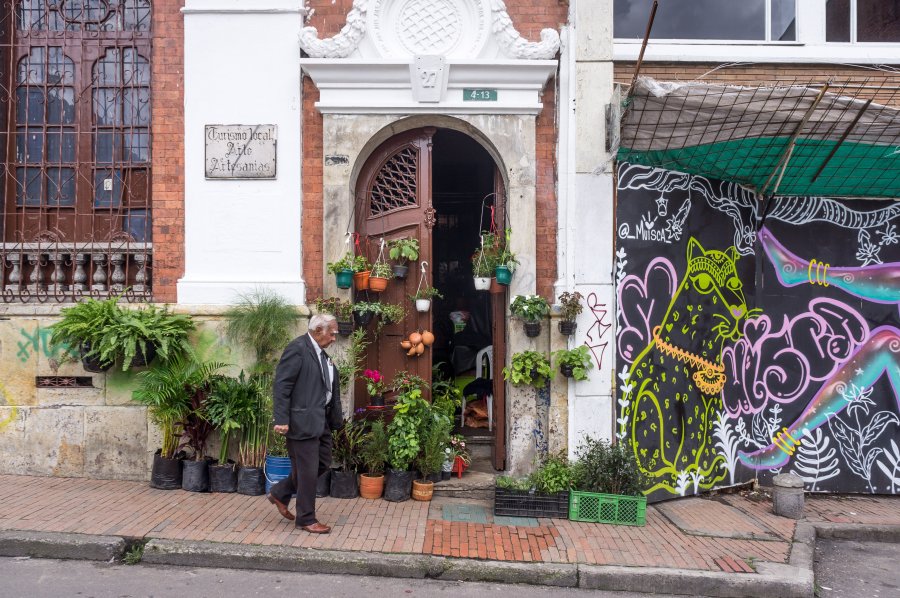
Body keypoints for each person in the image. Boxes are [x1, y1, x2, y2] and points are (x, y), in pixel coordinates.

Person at [266, 314, 342, 533]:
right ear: (319, 330)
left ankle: (280, 492)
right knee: (307, 471)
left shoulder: (321, 354)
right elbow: (282, 385)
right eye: (332, 333)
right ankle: (307, 519)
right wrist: (281, 419)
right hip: (302, 421)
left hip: (321, 420)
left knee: (323, 463)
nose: (334, 338)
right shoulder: (298, 349)